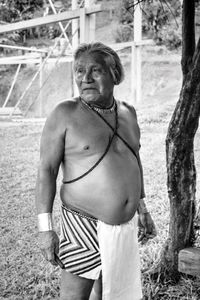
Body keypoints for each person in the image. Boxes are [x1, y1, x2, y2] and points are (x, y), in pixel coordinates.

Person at [35, 42, 156, 300]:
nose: (85, 78)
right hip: (83, 223)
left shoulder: (128, 112)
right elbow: (46, 170)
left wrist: (143, 208)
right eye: (79, 71)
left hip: (125, 226)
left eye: (95, 71)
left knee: (111, 294)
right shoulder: (64, 113)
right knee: (75, 297)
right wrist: (45, 229)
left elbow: (135, 161)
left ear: (114, 73)